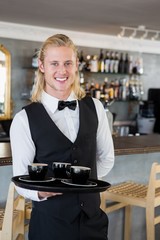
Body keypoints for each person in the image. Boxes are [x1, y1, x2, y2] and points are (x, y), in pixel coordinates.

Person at [10, 34, 114, 240]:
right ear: (42, 66)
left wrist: (82, 182)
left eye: (68, 63)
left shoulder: (96, 107)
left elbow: (106, 157)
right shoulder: (24, 119)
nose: (62, 70)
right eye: (54, 63)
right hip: (51, 224)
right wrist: (40, 192)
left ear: (76, 65)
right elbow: (21, 178)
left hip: (92, 220)